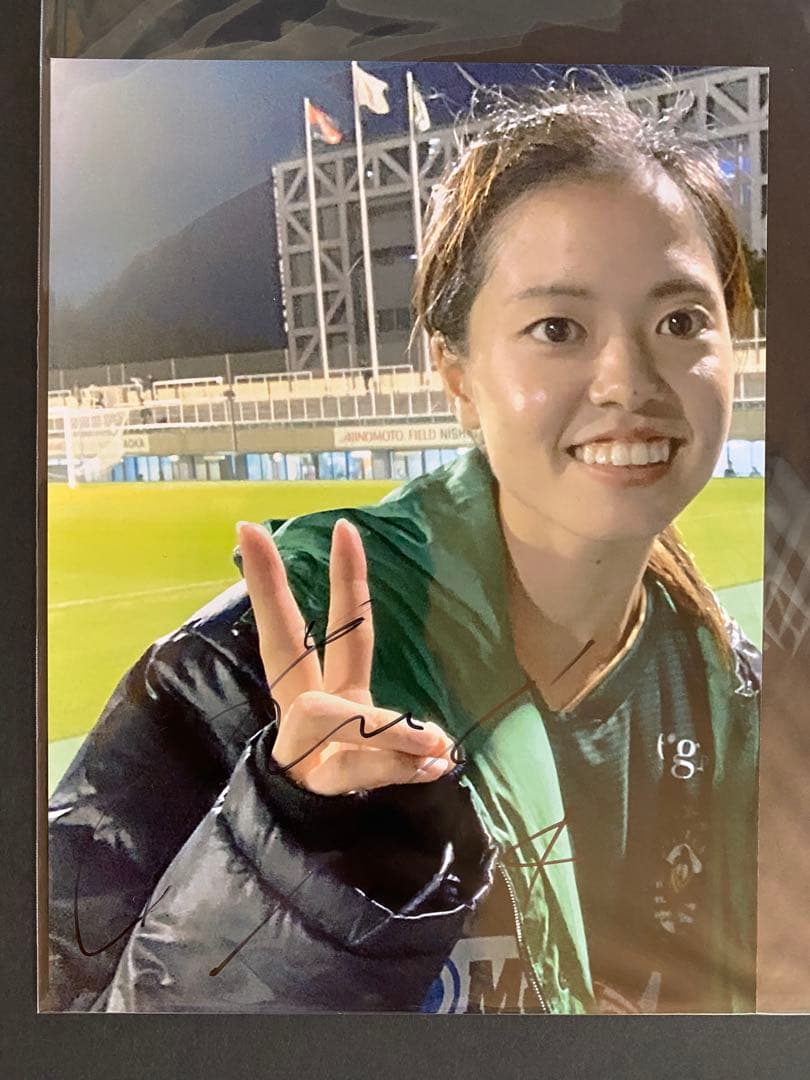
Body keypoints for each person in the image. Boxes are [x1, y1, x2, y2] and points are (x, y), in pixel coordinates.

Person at [46, 79, 760, 1015]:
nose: (628, 379)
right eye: (557, 328)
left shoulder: (739, 696)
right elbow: (62, 1020)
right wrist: (294, 850)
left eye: (681, 321)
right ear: (456, 374)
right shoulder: (240, 679)